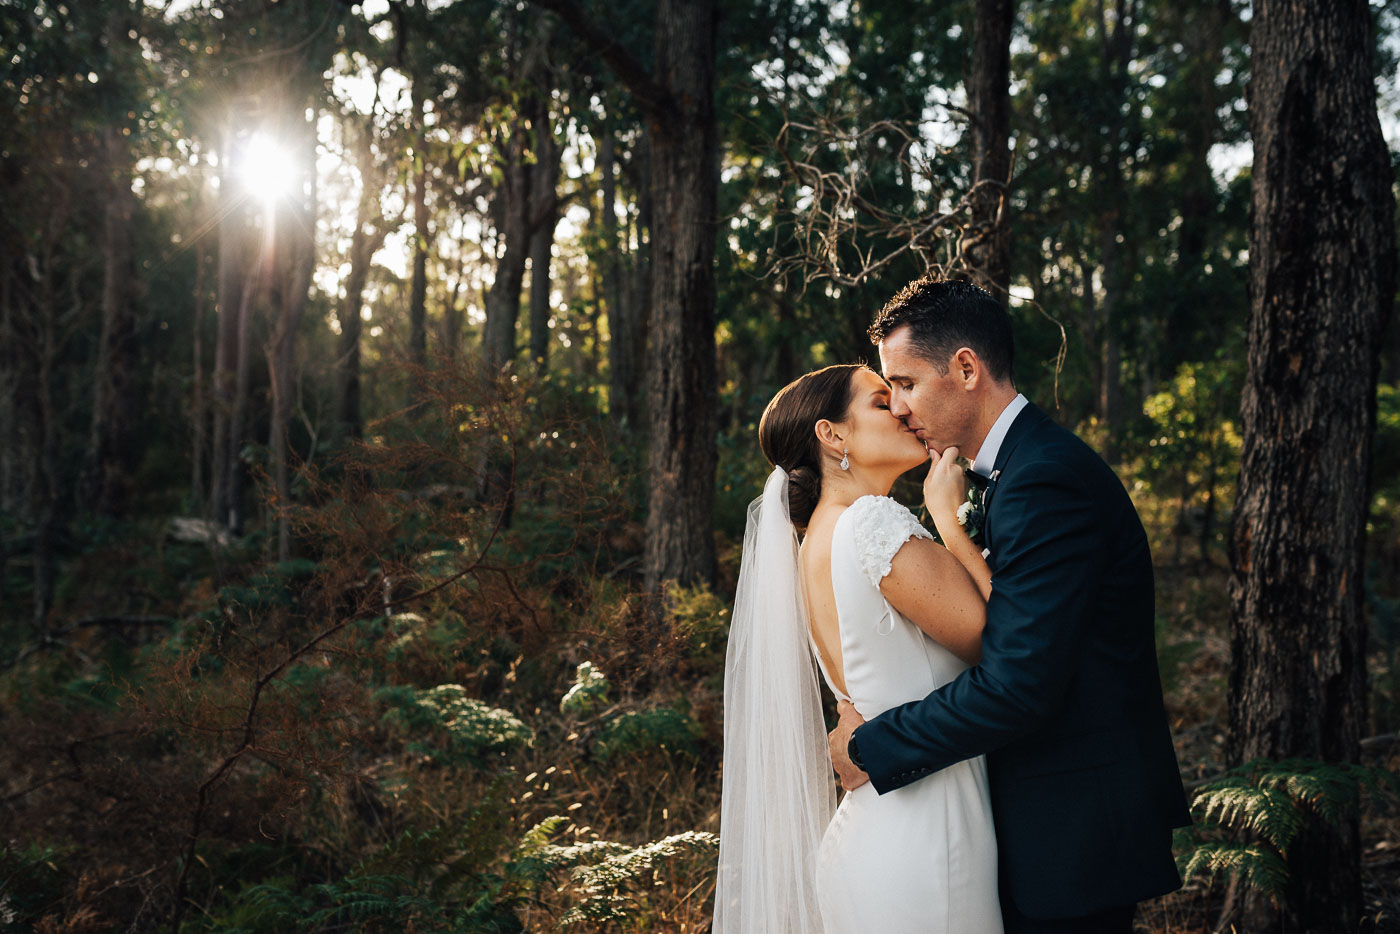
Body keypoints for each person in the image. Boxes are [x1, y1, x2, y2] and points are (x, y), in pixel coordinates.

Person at [827, 276, 1192, 933]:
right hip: (1047, 824)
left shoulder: (1043, 480)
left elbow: (1018, 687)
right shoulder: (1020, 471)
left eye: (905, 383)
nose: (901, 407)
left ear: (965, 367)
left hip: (1072, 831)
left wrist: (872, 746)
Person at [713, 362, 1002, 933]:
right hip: (924, 843)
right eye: (879, 400)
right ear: (833, 435)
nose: (900, 408)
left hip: (878, 829)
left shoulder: (817, 537)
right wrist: (948, 517)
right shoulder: (870, 522)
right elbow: (999, 639)